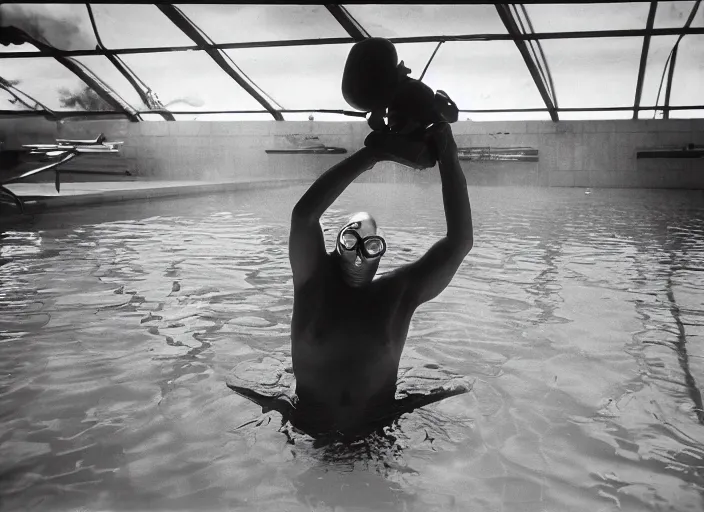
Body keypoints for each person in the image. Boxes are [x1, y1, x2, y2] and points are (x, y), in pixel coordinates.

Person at [288, 122, 473, 438]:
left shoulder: (396, 295)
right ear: (335, 245)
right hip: (309, 432)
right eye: (351, 241)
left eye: (371, 247)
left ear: (380, 256)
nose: (359, 255)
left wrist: (449, 155)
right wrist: (373, 154)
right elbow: (304, 216)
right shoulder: (312, 284)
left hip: (378, 433)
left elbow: (459, 243)